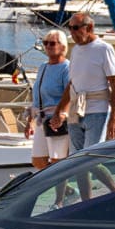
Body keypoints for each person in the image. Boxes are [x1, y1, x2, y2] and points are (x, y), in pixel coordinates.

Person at [50, 12, 115, 199]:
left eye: (75, 28)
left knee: (90, 159)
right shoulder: (76, 50)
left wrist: (114, 117)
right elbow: (72, 84)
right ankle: (86, 201)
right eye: (70, 28)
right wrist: (59, 110)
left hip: (97, 110)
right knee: (77, 161)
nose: (71, 32)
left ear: (89, 28)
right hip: (76, 111)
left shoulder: (104, 49)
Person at [25, 29, 70, 172]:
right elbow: (37, 96)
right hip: (40, 119)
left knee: (58, 161)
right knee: (38, 160)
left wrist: (62, 114)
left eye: (52, 43)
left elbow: (70, 94)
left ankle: (61, 193)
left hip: (55, 119)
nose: (48, 46)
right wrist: (29, 121)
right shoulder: (43, 67)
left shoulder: (66, 67)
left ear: (62, 46)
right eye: (45, 43)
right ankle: (66, 188)